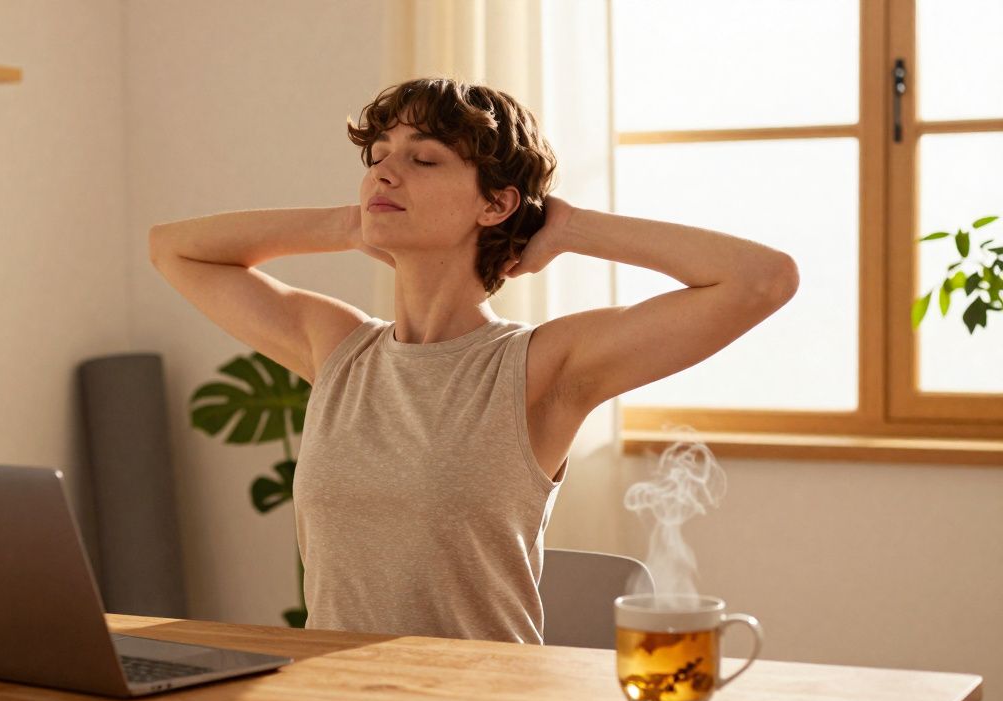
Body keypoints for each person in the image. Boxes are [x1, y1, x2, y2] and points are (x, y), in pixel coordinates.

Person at [149, 77, 798, 645]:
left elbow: (761, 280)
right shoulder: (336, 347)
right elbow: (171, 249)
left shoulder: (541, 368)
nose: (384, 171)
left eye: (423, 159)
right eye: (377, 158)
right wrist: (349, 225)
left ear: (496, 203)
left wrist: (570, 229)